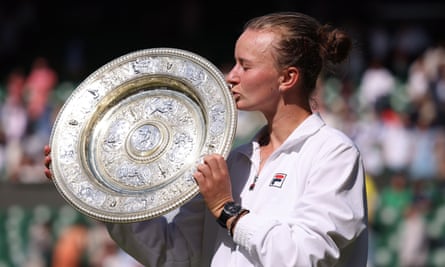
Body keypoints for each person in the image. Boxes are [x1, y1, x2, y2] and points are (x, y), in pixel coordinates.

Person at [45, 11, 368, 266]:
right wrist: (101, 194)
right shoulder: (233, 159)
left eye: (246, 65)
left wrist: (227, 210)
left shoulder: (333, 153)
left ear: (287, 77)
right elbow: (175, 256)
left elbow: (306, 258)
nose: (232, 75)